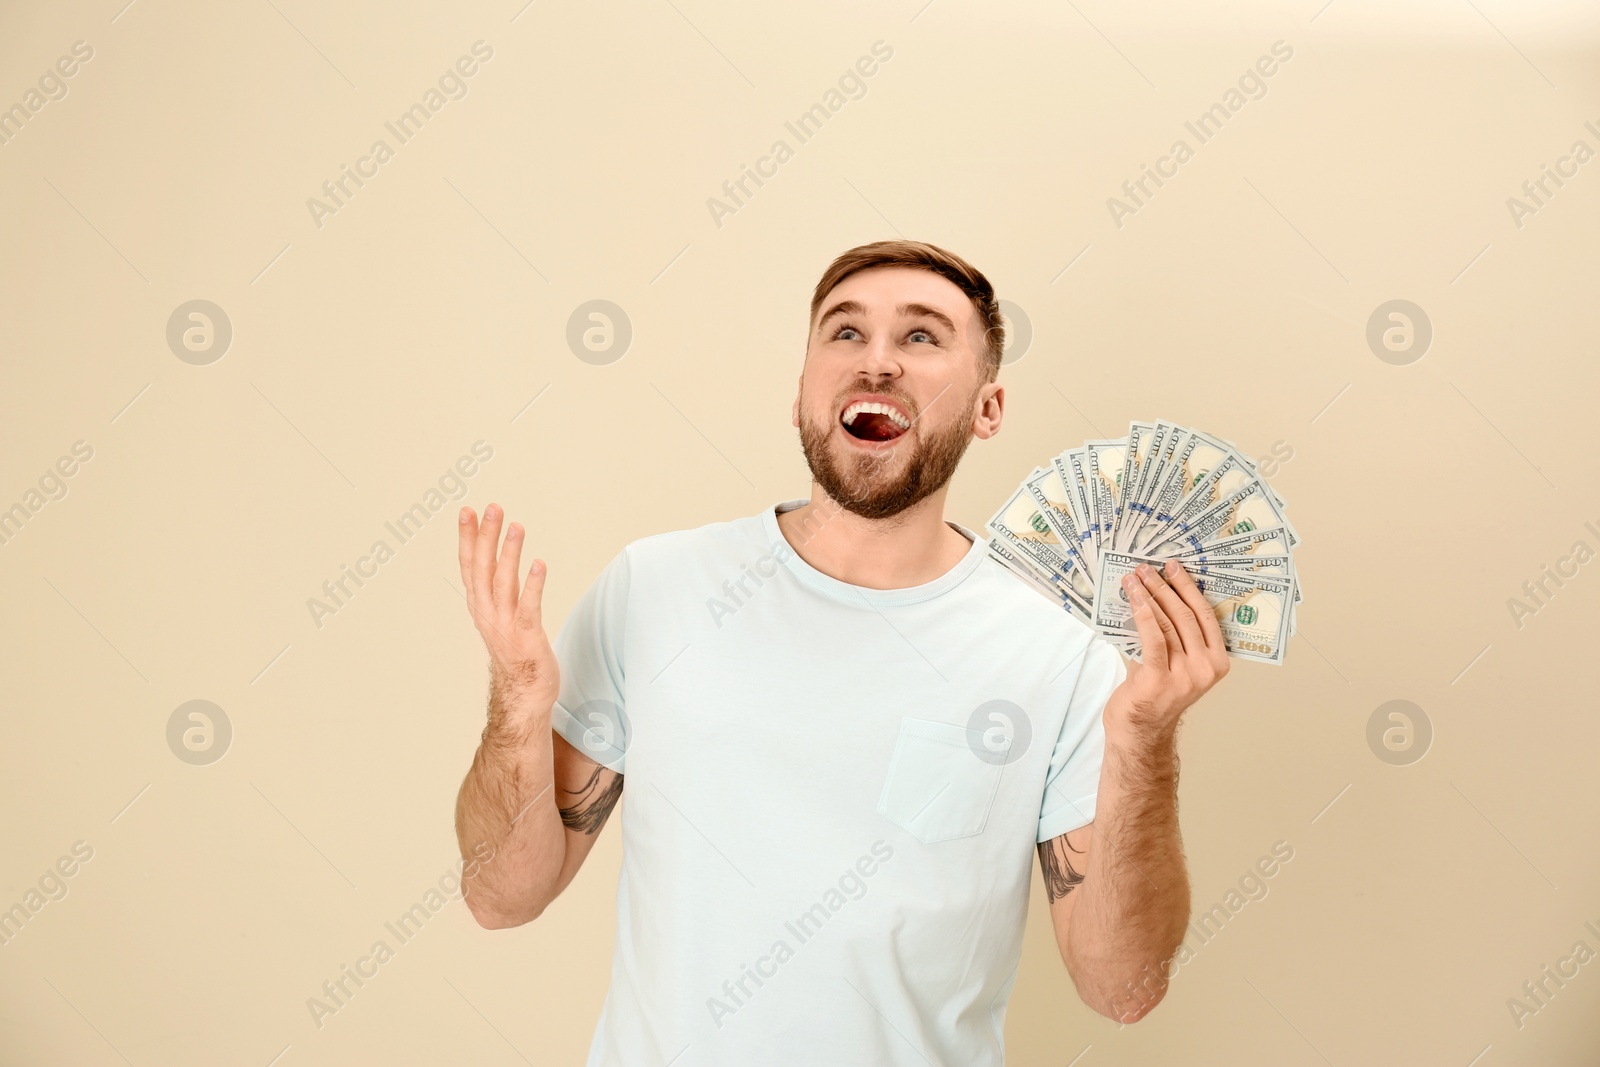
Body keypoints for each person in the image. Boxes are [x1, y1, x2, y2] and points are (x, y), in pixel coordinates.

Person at [452, 239, 1230, 1065]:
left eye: (923, 337)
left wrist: (1145, 743)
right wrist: (519, 698)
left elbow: (1123, 989)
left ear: (987, 409)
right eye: (846, 333)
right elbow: (501, 896)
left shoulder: (1059, 656)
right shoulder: (655, 587)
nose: (879, 362)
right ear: (800, 394)